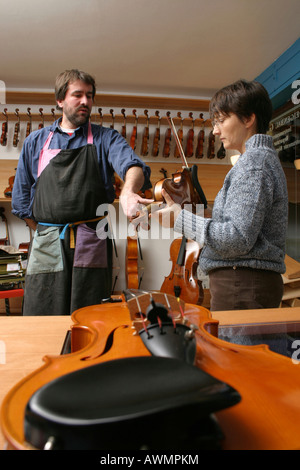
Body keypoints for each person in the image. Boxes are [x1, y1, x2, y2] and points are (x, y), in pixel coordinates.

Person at [12, 69, 152, 315]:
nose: (85, 101)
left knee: (90, 313)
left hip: (91, 238)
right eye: (77, 95)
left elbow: (133, 166)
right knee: (42, 310)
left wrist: (129, 190)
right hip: (47, 241)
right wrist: (48, 232)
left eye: (89, 95)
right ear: (60, 100)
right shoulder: (35, 142)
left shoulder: (105, 138)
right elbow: (22, 201)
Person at [152, 79, 288, 311]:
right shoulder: (255, 161)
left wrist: (181, 220)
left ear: (248, 118)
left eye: (221, 121)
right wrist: (183, 213)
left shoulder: (254, 163)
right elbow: (237, 226)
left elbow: (237, 239)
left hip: (242, 284)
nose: (215, 130)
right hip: (242, 282)